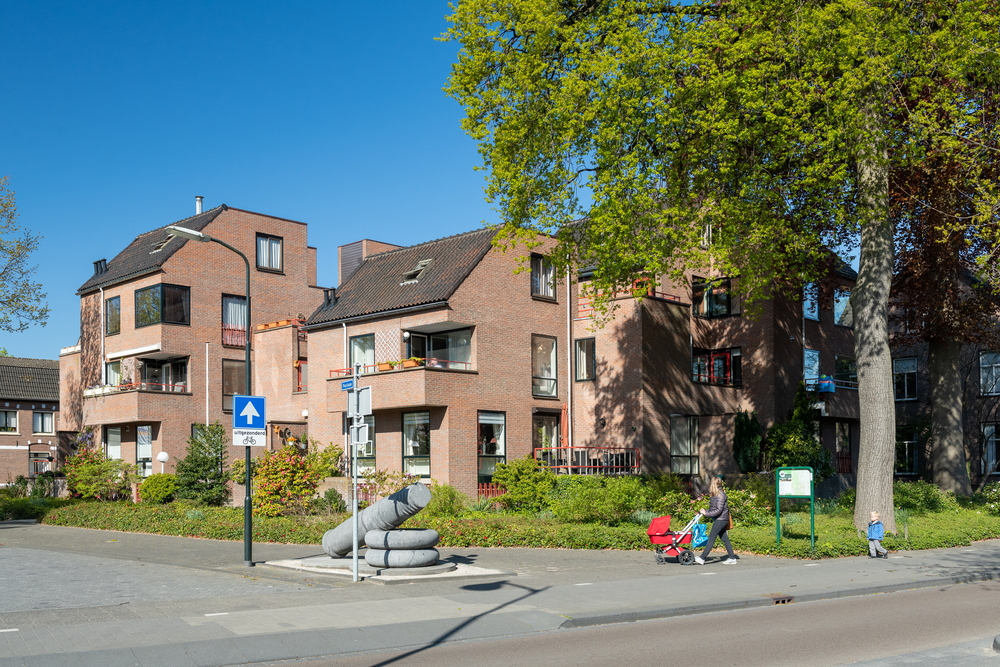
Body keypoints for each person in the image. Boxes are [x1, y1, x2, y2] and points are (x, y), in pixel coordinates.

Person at [695, 476, 738, 565]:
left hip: (721, 520)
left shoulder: (720, 495)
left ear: (713, 484)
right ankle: (732, 557)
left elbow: (719, 510)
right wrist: (705, 511)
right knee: (725, 539)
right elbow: (713, 509)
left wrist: (706, 513)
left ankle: (702, 558)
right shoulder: (716, 494)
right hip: (720, 519)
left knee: (711, 537)